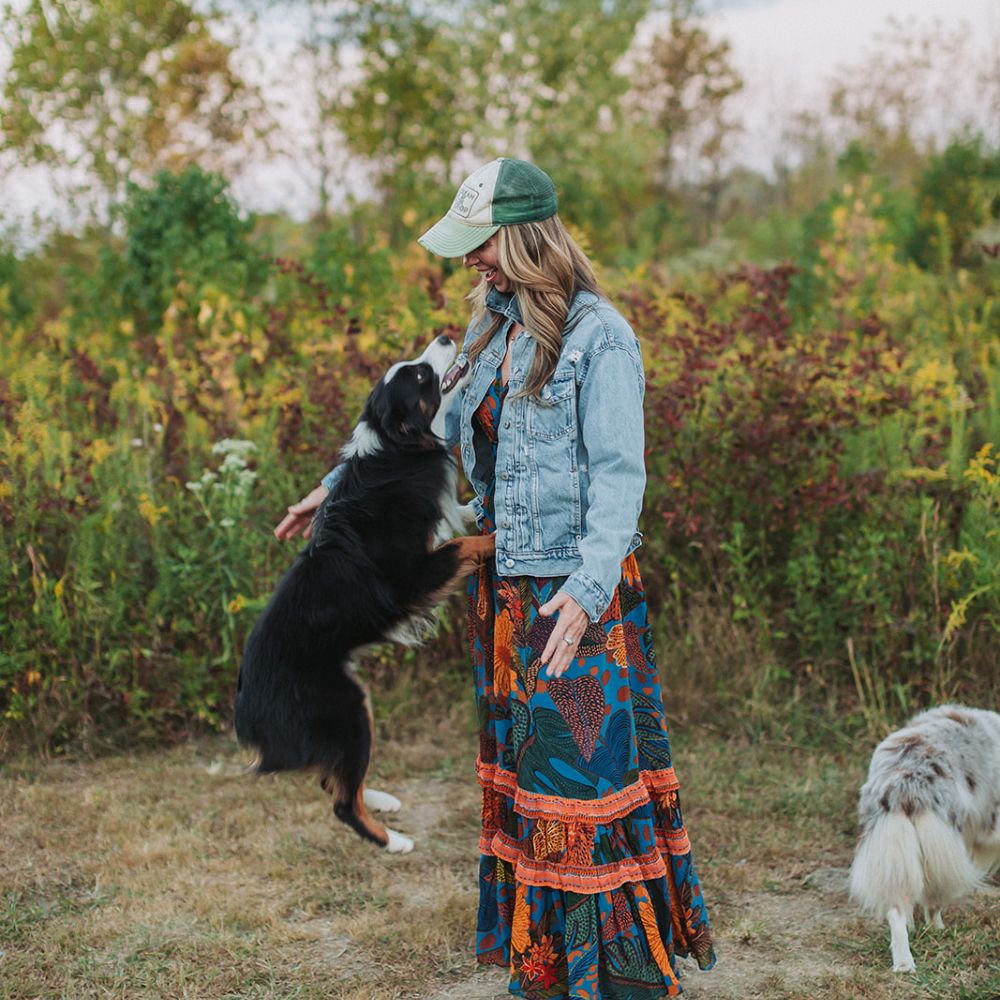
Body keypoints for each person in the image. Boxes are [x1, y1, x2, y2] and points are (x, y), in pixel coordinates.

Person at [276, 158, 715, 998]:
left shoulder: (601, 338)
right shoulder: (493, 330)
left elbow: (620, 480)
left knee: (581, 789)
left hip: (571, 597)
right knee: (531, 792)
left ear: (522, 238)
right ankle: (549, 973)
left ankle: (614, 979)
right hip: (507, 592)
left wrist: (586, 602)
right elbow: (424, 429)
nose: (468, 263)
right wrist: (330, 488)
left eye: (479, 247)